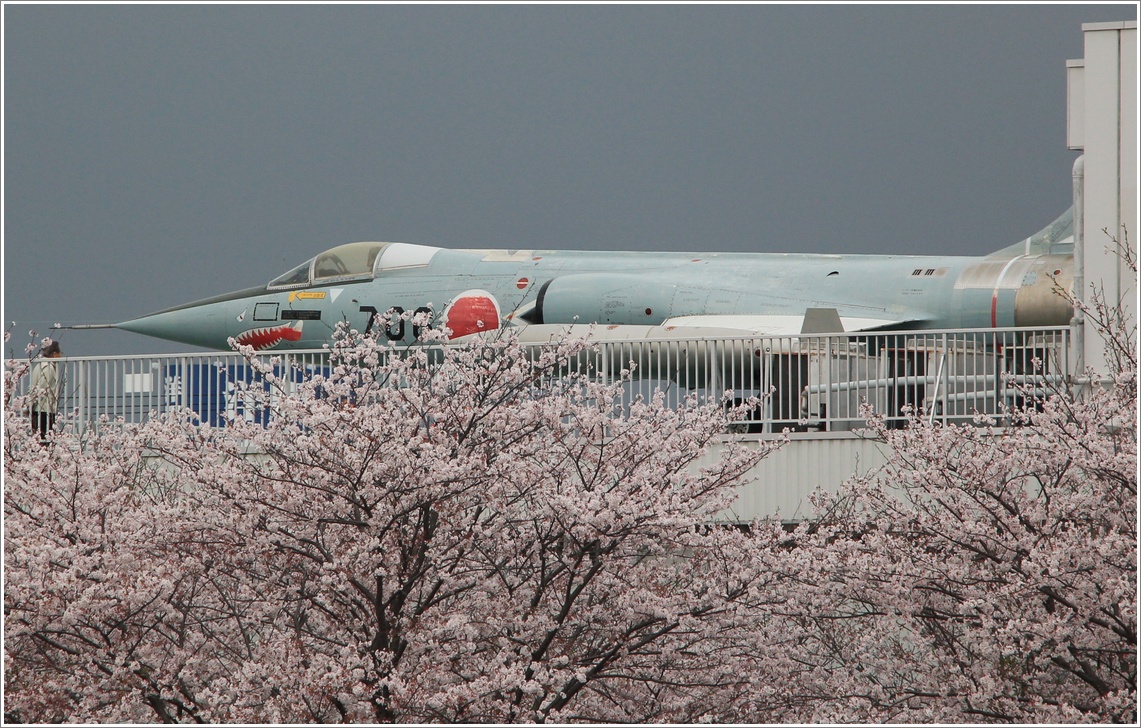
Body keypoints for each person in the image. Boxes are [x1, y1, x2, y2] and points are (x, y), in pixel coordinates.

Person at [29, 341, 63, 441]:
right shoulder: (48, 367)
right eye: (59, 353)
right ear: (54, 354)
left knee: (38, 440)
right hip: (44, 408)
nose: (60, 356)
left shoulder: (39, 365)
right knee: (45, 440)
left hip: (38, 408)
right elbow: (41, 389)